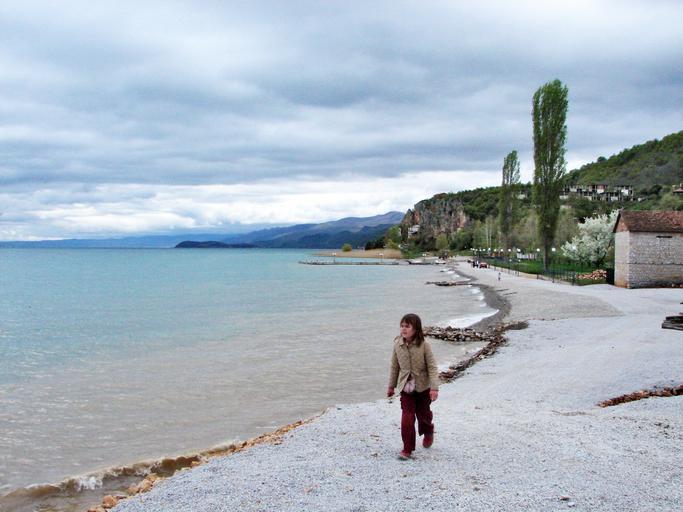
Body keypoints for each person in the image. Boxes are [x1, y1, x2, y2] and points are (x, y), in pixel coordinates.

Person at [387, 313, 439, 460]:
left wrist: (434, 388)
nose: (403, 329)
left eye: (407, 326)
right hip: (406, 388)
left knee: (424, 416)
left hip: (423, 388)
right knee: (407, 418)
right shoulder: (397, 344)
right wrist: (391, 386)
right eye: (402, 326)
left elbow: (432, 367)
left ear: (415, 329)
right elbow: (394, 367)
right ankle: (407, 449)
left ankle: (428, 431)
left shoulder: (424, 345)